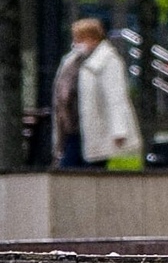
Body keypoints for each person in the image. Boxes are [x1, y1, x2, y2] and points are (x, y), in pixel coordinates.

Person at [52, 18, 142, 168]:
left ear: (93, 38)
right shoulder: (72, 61)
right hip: (73, 129)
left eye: (80, 38)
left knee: (81, 170)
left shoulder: (108, 60)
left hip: (95, 128)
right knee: (68, 170)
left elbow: (116, 97)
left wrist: (119, 130)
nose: (76, 42)